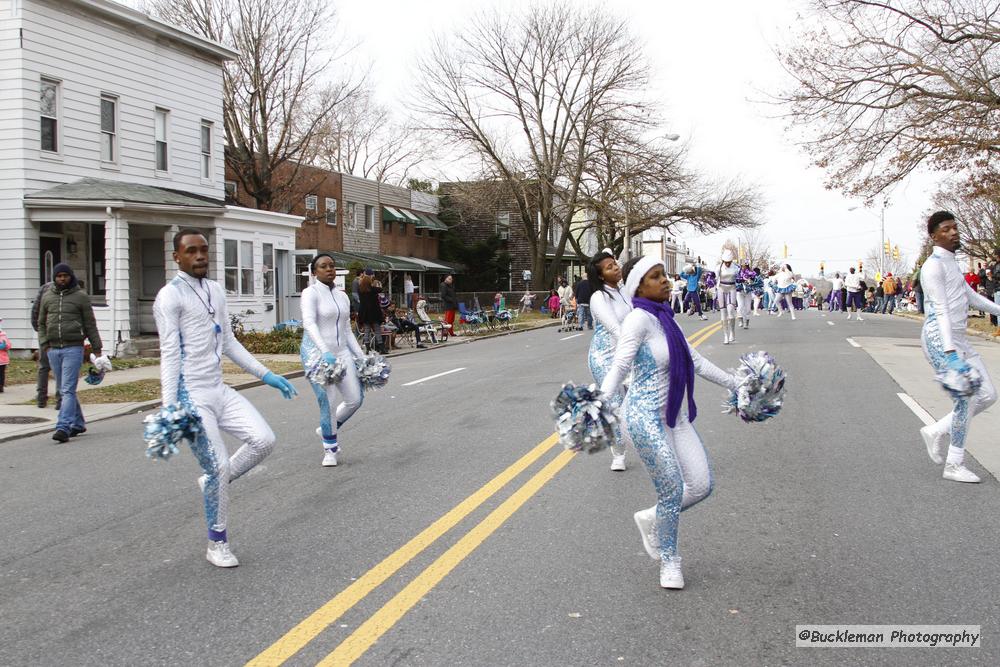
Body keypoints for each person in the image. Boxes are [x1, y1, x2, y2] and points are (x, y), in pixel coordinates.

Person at [153, 229, 297, 567]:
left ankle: (213, 481)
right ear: (177, 257)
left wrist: (266, 375)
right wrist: (168, 405)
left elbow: (229, 341)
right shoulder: (169, 297)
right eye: (191, 251)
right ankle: (217, 542)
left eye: (204, 250)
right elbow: (169, 353)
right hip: (191, 394)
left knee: (264, 441)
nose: (200, 256)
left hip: (218, 389)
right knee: (217, 464)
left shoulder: (215, 290)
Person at [600, 256, 737, 589]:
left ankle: (653, 517)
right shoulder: (638, 320)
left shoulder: (668, 321)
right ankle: (669, 560)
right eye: (655, 276)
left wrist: (739, 384)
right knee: (673, 488)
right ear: (639, 286)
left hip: (674, 418)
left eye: (664, 275)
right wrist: (597, 402)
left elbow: (698, 363)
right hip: (644, 418)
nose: (665, 281)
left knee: (701, 486)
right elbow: (619, 367)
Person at [918, 211, 1000, 484]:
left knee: (988, 395)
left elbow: (971, 297)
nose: (954, 232)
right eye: (946, 229)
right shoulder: (932, 267)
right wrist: (951, 352)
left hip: (959, 340)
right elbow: (940, 309)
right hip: (941, 341)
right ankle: (954, 464)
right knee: (965, 398)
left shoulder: (952, 264)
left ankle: (937, 430)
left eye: (955, 227)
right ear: (934, 236)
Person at [299, 253, 366, 467]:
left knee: (355, 399)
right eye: (323, 266)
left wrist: (361, 356)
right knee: (327, 402)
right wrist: (324, 351)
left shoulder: (342, 296)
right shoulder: (310, 293)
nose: (329, 269)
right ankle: (330, 449)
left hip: (341, 352)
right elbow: (309, 324)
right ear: (314, 271)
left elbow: (346, 330)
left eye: (332, 266)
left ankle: (327, 427)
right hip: (317, 354)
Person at [36, 263, 109, 442]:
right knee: (64, 388)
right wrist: (44, 344)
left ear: (71, 277)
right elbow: (41, 323)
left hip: (73, 348)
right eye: (59, 276)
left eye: (65, 276)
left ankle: (63, 426)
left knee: (67, 389)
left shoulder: (80, 297)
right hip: (53, 348)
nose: (62, 279)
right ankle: (77, 423)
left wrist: (97, 349)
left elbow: (90, 324)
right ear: (54, 278)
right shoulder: (47, 296)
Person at [586, 250, 632, 472]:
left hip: (627, 354)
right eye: (609, 267)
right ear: (601, 276)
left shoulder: (624, 292)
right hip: (604, 357)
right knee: (615, 405)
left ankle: (633, 438)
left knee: (633, 401)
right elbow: (615, 329)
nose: (616, 267)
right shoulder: (598, 297)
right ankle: (618, 453)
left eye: (615, 264)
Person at [30, 280, 59, 409]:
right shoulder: (47, 289)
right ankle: (57, 398)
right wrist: (40, 330)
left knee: (44, 367)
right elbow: (36, 311)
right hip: (49, 333)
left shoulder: (44, 288)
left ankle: (42, 397)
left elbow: (35, 311)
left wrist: (39, 330)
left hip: (47, 332)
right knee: (56, 367)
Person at [358, 270, 387, 353]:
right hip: (374, 312)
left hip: (364, 313)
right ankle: (381, 347)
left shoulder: (361, 290)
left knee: (367, 330)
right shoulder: (373, 289)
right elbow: (380, 289)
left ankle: (367, 347)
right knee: (377, 329)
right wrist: (375, 283)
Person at [716, 250, 738, 344]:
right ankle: (725, 335)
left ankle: (732, 332)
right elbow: (715, 279)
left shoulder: (736, 268)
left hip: (732, 288)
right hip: (721, 289)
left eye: (729, 262)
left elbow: (740, 278)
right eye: (726, 262)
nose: (728, 264)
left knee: (730, 311)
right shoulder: (719, 268)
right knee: (723, 313)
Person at [0, 320, 9, 392]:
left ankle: (1, 386)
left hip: (2, 359)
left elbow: (8, 345)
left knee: (1, 373)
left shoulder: (3, 335)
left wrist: (5, 346)